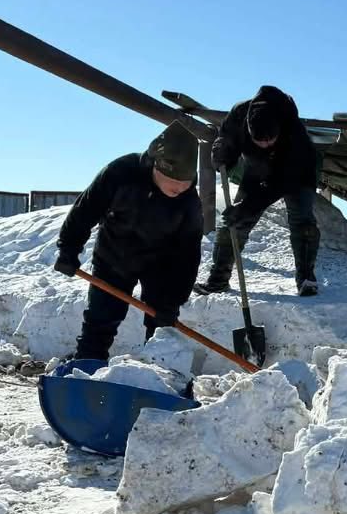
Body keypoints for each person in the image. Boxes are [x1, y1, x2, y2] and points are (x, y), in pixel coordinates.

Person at [54, 121, 203, 360]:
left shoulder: (189, 202)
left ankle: (158, 373)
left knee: (161, 328)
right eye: (175, 185)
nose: (180, 190)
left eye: (185, 185)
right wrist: (68, 249)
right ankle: (87, 366)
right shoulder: (122, 173)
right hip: (113, 256)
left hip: (160, 264)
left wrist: (173, 300)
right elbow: (86, 209)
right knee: (100, 319)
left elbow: (188, 254)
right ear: (157, 166)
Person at [195, 85, 321, 297]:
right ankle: (217, 280)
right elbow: (226, 138)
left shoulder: (294, 131)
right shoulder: (239, 113)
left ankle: (306, 278)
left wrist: (248, 206)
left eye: (270, 140)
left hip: (296, 174)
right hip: (256, 169)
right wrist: (222, 152)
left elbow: (282, 183)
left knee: (302, 220)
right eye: (258, 141)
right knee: (234, 220)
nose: (265, 145)